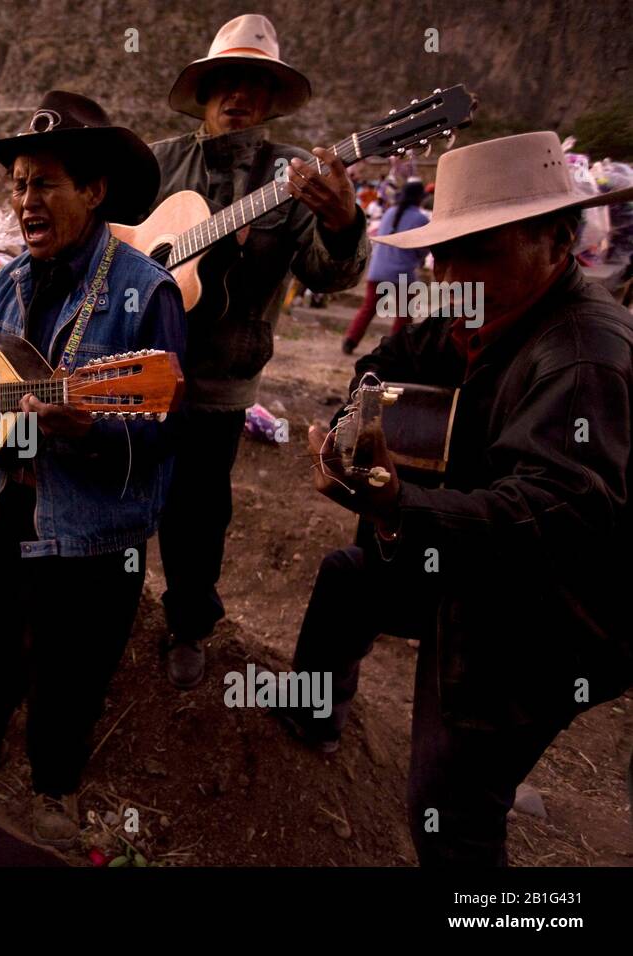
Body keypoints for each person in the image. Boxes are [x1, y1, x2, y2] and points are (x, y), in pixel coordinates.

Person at [282, 131, 633, 866]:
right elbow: (387, 361)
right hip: (471, 556)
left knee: (450, 810)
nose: (450, 272)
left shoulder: (583, 354)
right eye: (444, 252)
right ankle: (311, 723)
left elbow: (556, 512)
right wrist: (362, 415)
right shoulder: (475, 307)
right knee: (349, 580)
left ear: (557, 241)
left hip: (554, 612)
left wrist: (398, 506)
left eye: (481, 250)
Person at [0, 92, 186, 846]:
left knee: (71, 668)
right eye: (20, 183)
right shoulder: (6, 282)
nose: (26, 200)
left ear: (94, 192)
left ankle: (54, 783)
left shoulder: (147, 293)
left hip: (95, 537)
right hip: (12, 506)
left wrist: (92, 427)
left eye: (46, 184)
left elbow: (163, 430)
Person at [149, 14, 368, 689]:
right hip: (135, 364)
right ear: (204, 93)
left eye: (253, 84)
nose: (236, 96)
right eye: (223, 82)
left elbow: (331, 274)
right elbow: (113, 237)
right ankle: (103, 603)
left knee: (199, 509)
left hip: (218, 379)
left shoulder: (294, 178)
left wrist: (343, 221)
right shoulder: (158, 161)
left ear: (272, 100)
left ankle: (188, 623)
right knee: (116, 483)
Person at [342, 178, 430, 352]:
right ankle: (396, 349)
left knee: (368, 309)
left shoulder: (390, 212)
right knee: (404, 315)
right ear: (419, 197)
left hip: (378, 270)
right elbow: (424, 249)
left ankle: (350, 341)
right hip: (403, 273)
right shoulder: (420, 218)